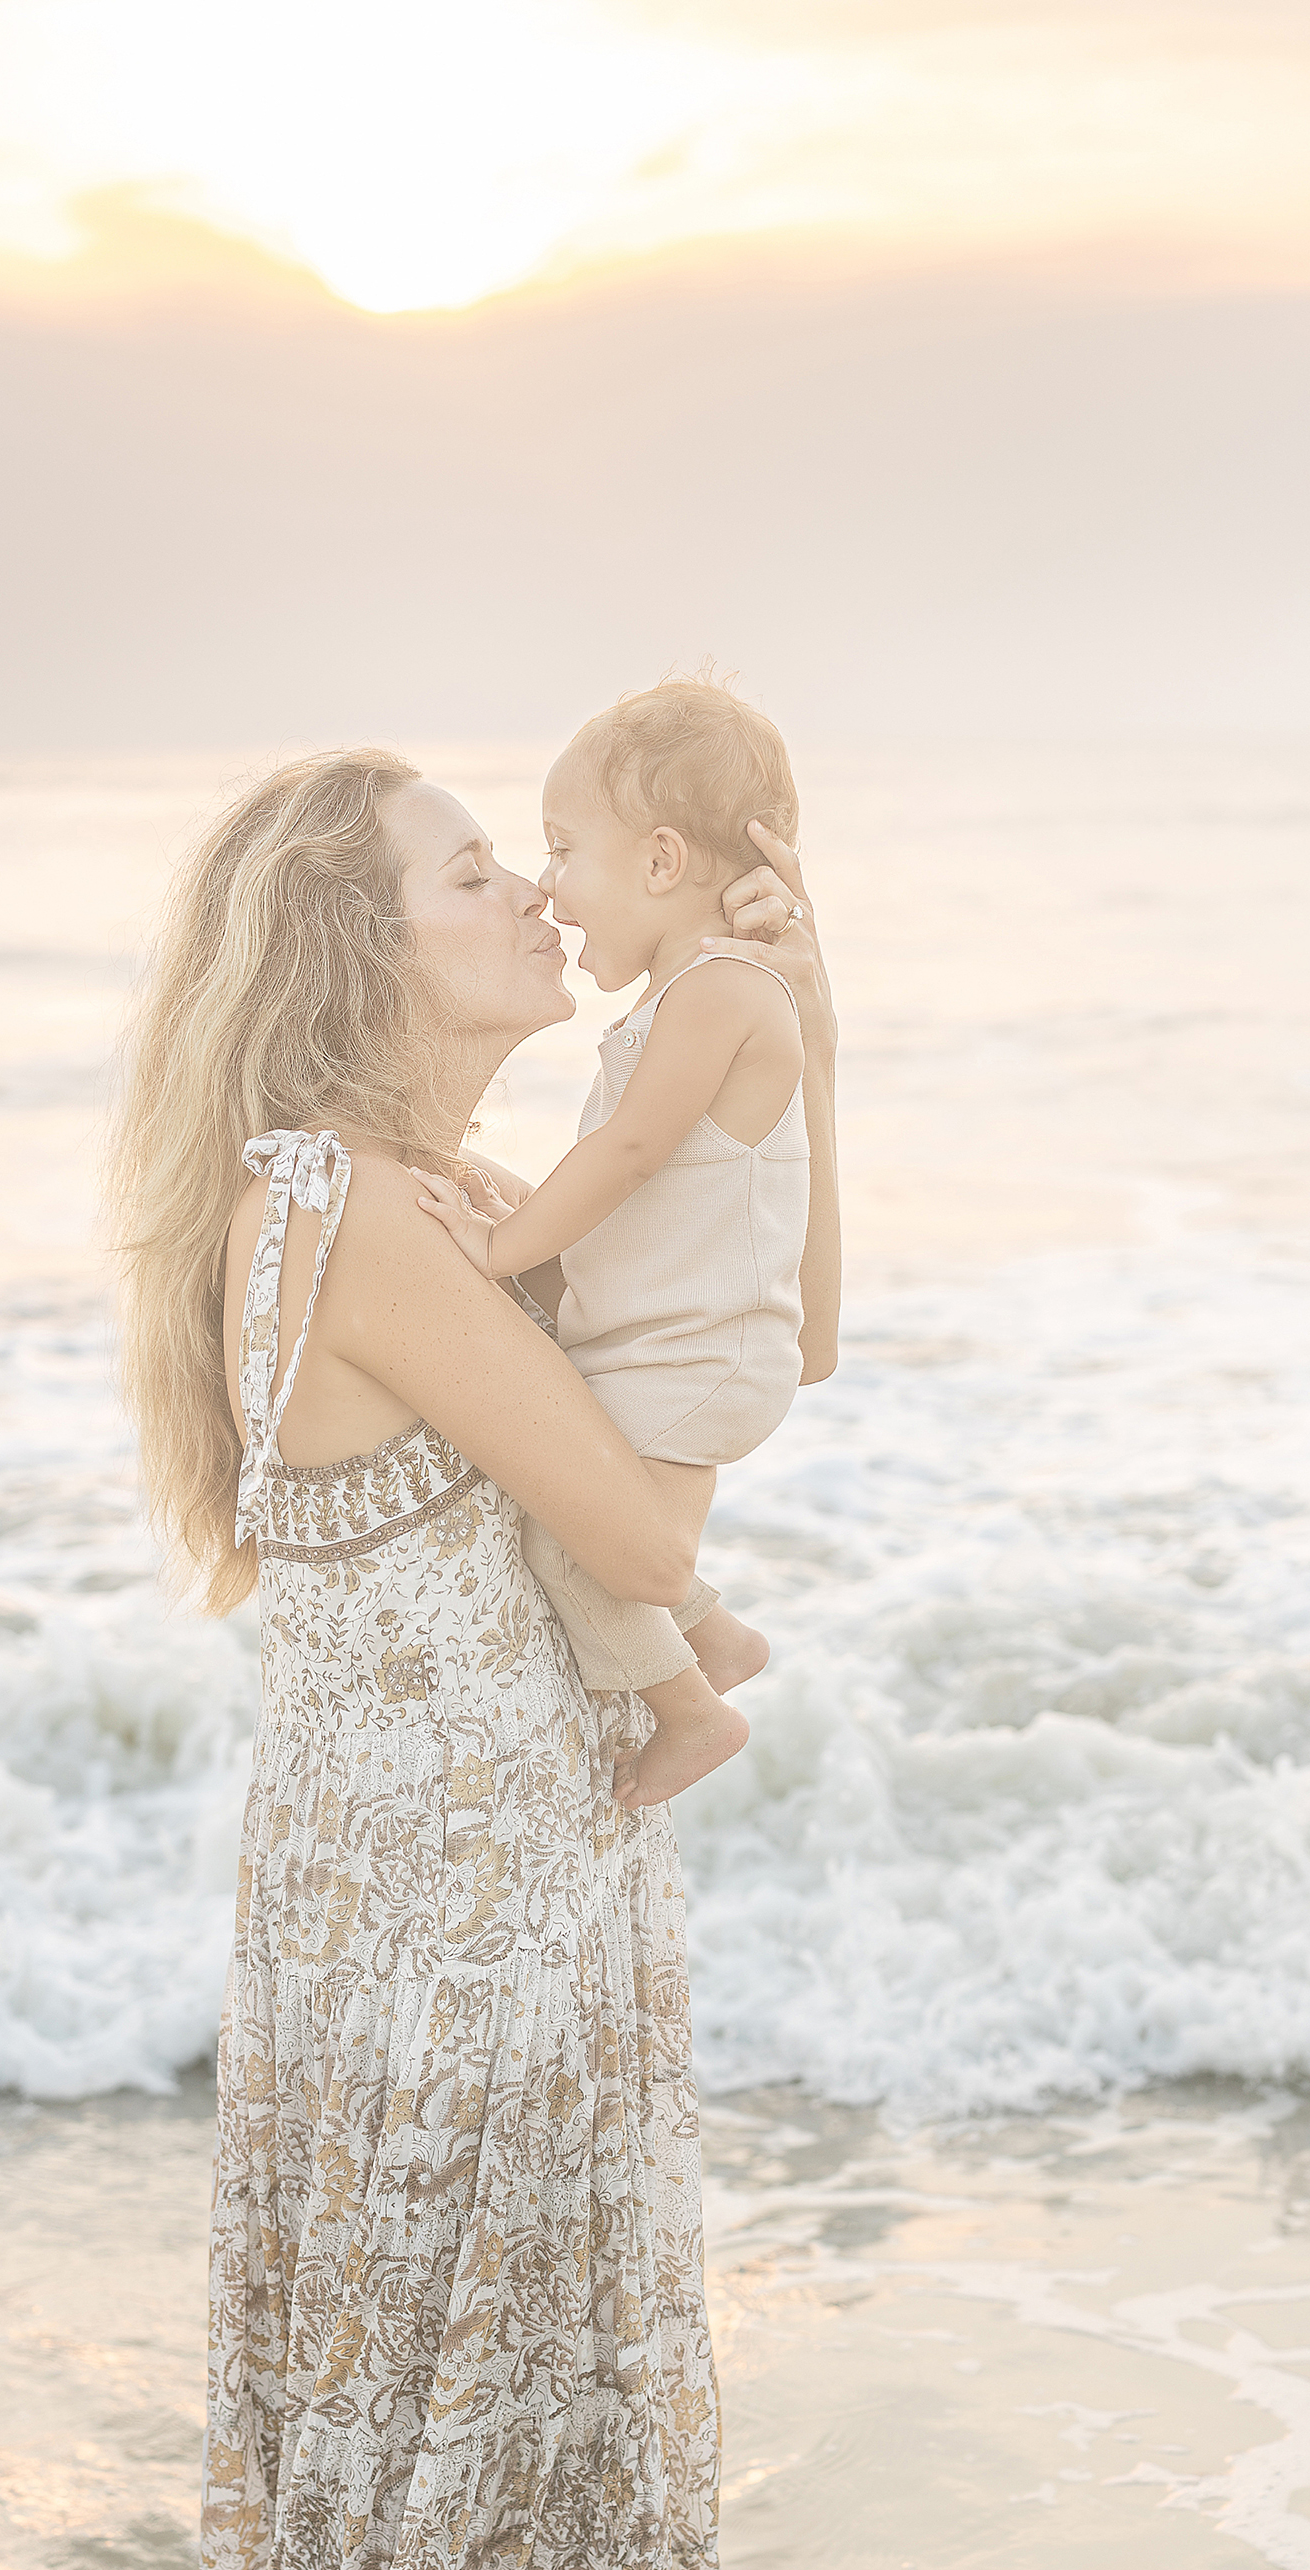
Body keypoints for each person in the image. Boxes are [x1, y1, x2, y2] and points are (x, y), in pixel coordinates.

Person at [104, 745, 836, 2570]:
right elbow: (636, 1520)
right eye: (468, 876)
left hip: (445, 1901)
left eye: (523, 864)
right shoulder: (356, 1215)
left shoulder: (379, 1203)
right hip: (463, 1936)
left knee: (421, 2415)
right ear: (360, 954)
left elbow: (794, 1322)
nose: (531, 894)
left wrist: (788, 1050)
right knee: (453, 2405)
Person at [411, 674, 838, 1811]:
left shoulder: (717, 991)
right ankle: (720, 1639)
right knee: (572, 1527)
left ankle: (697, 1709)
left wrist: (498, 1253)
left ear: (658, 865)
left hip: (695, 1358)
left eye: (562, 851)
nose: (546, 889)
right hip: (678, 1344)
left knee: (572, 1544)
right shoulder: (685, 1000)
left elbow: (629, 1155)